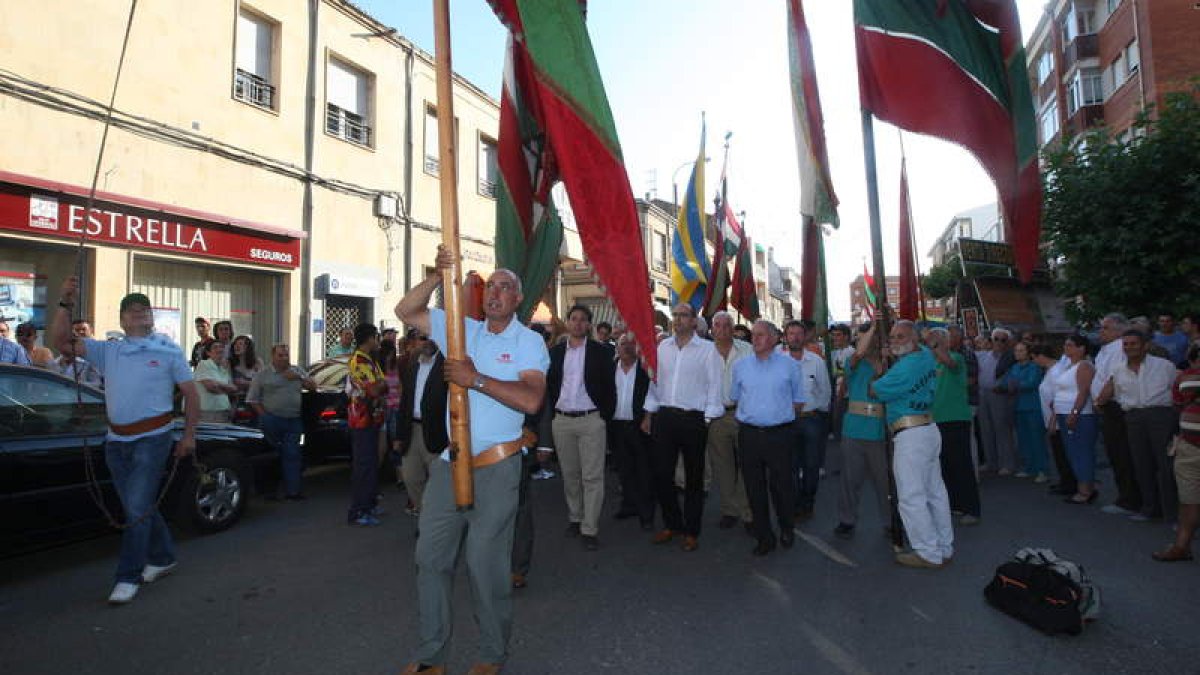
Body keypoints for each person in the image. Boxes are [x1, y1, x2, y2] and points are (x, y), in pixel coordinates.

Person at [395, 246, 548, 674]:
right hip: (450, 462)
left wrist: (474, 379)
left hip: (498, 466)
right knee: (431, 557)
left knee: (485, 563)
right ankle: (431, 655)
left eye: (505, 287)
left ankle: (492, 653)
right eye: (490, 287)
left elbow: (532, 399)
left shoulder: (529, 342)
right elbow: (407, 309)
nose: (495, 293)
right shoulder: (462, 330)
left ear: (517, 299)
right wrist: (438, 275)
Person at [48, 278, 199, 605]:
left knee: (135, 508)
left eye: (144, 310)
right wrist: (65, 304)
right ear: (121, 319)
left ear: (151, 317)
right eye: (131, 312)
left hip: (154, 438)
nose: (138, 315)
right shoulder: (108, 349)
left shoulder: (169, 350)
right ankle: (162, 556)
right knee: (138, 506)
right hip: (116, 440)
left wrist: (189, 435)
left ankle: (128, 576)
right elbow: (60, 341)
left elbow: (190, 393)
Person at [868, 320, 953, 569]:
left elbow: (874, 390)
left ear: (914, 339)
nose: (894, 340)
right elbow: (915, 356)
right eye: (893, 336)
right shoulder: (925, 355)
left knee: (911, 496)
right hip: (928, 428)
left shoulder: (903, 369)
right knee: (935, 492)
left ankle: (927, 551)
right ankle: (943, 547)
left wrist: (878, 366)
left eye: (901, 336)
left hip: (911, 435)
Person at [641, 303, 723, 553]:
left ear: (694, 321)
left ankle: (691, 530)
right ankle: (672, 524)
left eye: (683, 315)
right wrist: (648, 414)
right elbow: (654, 385)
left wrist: (706, 419)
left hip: (693, 419)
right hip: (665, 417)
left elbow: (715, 387)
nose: (677, 320)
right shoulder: (661, 348)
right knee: (662, 474)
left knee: (693, 478)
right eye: (674, 315)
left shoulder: (708, 350)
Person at [731, 320, 805, 556]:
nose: (755, 338)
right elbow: (735, 396)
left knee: (782, 485)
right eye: (754, 335)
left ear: (775, 339)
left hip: (780, 434)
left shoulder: (789, 366)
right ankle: (764, 536)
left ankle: (786, 527)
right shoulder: (740, 366)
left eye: (761, 335)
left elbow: (798, 400)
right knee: (754, 487)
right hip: (750, 434)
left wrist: (781, 418)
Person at [545, 304, 615, 551]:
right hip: (562, 420)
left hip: (591, 420)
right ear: (568, 322)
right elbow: (549, 386)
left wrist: (602, 417)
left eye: (583, 320)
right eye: (573, 319)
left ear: (589, 325)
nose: (577, 323)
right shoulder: (554, 353)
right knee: (570, 474)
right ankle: (575, 517)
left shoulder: (602, 352)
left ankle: (590, 528)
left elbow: (610, 388)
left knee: (592, 476)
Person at [1098, 330, 1180, 523]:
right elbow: (1118, 395)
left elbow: (1175, 391)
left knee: (1166, 465)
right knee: (1141, 464)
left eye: (1133, 344)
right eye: (1125, 344)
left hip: (1161, 416)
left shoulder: (1164, 366)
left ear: (1145, 346)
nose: (1129, 348)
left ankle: (1174, 513)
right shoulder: (1118, 370)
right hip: (1133, 417)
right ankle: (1150, 508)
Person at [834, 321, 890, 538]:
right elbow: (859, 353)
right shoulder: (853, 362)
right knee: (850, 479)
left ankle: (890, 521)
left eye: (875, 338)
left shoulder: (890, 363)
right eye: (867, 338)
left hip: (880, 430)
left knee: (885, 482)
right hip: (854, 429)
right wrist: (876, 325)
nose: (871, 342)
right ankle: (847, 519)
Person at [926, 327, 981, 527]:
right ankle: (955, 503)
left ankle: (972, 508)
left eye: (936, 341)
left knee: (961, 465)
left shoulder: (956, 358)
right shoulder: (930, 363)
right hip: (936, 419)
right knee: (944, 466)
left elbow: (948, 362)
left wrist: (935, 345)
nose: (931, 345)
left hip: (956, 418)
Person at [247, 344, 314, 500]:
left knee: (293, 455)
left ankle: (293, 491)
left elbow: (313, 386)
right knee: (271, 456)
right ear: (273, 356)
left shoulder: (296, 370)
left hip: (293, 420)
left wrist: (299, 377)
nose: (284, 358)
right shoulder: (263, 374)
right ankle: (269, 492)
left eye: (286, 355)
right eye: (280, 355)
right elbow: (252, 399)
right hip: (272, 419)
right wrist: (264, 417)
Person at [706, 310, 753, 531]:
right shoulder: (704, 352)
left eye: (726, 326)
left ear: (733, 329)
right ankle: (729, 509)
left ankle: (746, 510)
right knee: (722, 466)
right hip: (716, 416)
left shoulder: (747, 351)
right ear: (711, 328)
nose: (722, 330)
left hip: (743, 414)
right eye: (718, 325)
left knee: (747, 464)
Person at [1092, 313, 1142, 516]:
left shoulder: (1120, 348)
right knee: (1115, 453)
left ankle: (1129, 500)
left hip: (1115, 407)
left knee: (1122, 454)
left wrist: (1100, 400)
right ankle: (1126, 496)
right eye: (1101, 327)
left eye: (1105, 328)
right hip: (1106, 406)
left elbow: (1114, 379)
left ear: (1119, 330)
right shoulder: (1105, 350)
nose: (1100, 331)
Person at [781, 320, 831, 520]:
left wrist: (816, 411)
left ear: (805, 336)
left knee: (811, 466)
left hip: (811, 420)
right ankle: (792, 504)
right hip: (786, 421)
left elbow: (825, 391)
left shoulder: (816, 361)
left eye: (798, 333)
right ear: (785, 337)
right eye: (791, 333)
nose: (795, 337)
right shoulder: (777, 360)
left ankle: (807, 502)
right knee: (789, 466)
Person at [1154, 344, 1199, 561]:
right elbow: (1179, 402)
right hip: (1188, 445)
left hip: (1188, 443)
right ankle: (1182, 546)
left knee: (1189, 499)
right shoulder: (1186, 377)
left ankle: (1182, 546)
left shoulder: (1186, 378)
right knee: (1188, 498)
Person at [398, 333, 447, 516]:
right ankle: (425, 515)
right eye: (423, 337)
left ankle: (432, 523)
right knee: (411, 478)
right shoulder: (411, 365)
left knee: (439, 482)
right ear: (415, 341)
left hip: (437, 432)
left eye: (433, 337)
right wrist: (399, 435)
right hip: (412, 430)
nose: (428, 342)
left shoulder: (447, 365)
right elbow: (405, 401)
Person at [609, 332, 655, 531]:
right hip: (616, 426)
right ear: (616, 348)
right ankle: (628, 506)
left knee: (644, 471)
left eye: (631, 343)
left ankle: (646, 514)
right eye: (622, 343)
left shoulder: (646, 371)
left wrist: (648, 417)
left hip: (639, 426)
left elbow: (655, 394)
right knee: (624, 469)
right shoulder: (610, 369)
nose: (627, 347)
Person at [1050, 334, 1100, 505]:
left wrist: (1074, 412)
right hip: (1064, 412)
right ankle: (1083, 487)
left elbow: (1083, 391)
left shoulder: (1085, 366)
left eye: (1070, 345)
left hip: (1080, 415)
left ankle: (1086, 490)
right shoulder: (1068, 366)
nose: (1066, 348)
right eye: (1066, 345)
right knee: (1072, 453)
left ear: (1081, 348)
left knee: (1082, 453)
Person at [346, 323, 387, 527]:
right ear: (369, 338)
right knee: (363, 465)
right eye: (376, 337)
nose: (378, 341)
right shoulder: (360, 360)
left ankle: (369, 503)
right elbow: (374, 390)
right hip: (362, 419)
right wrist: (380, 386)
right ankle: (358, 510)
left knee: (371, 463)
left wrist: (381, 386)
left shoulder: (371, 360)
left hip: (372, 419)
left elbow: (382, 385)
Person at [1033, 345, 1076, 495]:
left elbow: (1058, 397)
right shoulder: (1050, 371)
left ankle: (1069, 483)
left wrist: (1053, 420)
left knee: (1062, 452)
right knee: (1058, 453)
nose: (1035, 361)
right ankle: (1064, 481)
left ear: (1041, 356)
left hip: (1057, 419)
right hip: (1051, 418)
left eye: (1035, 358)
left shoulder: (1056, 371)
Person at [1005, 340, 1049, 482]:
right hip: (1018, 407)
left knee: (1037, 439)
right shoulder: (1014, 367)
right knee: (1024, 440)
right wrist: (1013, 384)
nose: (1018, 353)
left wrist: (1015, 384)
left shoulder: (1034, 367)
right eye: (1016, 350)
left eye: (1021, 350)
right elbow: (1007, 382)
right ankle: (1029, 468)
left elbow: (1032, 383)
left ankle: (1042, 470)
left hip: (1033, 407)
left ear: (1029, 353)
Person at [976, 327, 1016, 475]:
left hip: (999, 394)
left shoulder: (1010, 357)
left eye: (1003, 340)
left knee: (1002, 429)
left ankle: (1007, 464)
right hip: (983, 394)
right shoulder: (982, 355)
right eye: (996, 339)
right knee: (985, 429)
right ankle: (991, 462)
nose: (999, 342)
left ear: (1008, 342)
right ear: (991, 340)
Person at [192, 340, 237, 422]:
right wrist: (226, 390)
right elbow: (211, 387)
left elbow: (233, 389)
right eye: (215, 347)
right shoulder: (204, 364)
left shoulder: (224, 368)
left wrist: (218, 385)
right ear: (208, 353)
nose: (219, 349)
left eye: (221, 347)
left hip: (224, 411)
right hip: (207, 412)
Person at [829, 324, 854, 444]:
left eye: (838, 335)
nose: (835, 338)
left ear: (846, 336)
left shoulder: (851, 352)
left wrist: (840, 395)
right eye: (833, 335)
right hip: (838, 393)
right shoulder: (837, 353)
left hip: (846, 395)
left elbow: (847, 376)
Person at [230, 335, 263, 422]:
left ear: (248, 347)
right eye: (235, 344)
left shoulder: (257, 363)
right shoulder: (230, 364)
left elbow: (262, 383)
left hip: (254, 403)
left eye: (240, 344)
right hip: (236, 402)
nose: (236, 346)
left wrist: (245, 383)